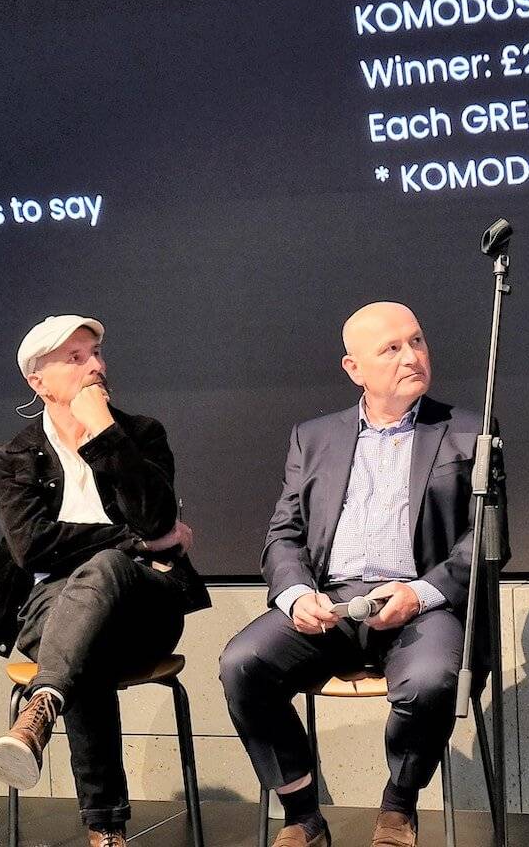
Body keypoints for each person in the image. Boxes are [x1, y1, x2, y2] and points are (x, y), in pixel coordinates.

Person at [220, 302, 485, 847]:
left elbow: (481, 542)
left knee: (433, 679)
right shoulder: (313, 437)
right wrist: (295, 596)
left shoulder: (468, 430)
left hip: (418, 601)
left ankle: (398, 805)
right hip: (331, 603)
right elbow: (283, 534)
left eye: (416, 341)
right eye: (391, 348)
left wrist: (420, 592)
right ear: (353, 368)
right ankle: (301, 813)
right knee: (242, 664)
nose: (411, 356)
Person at [0, 315, 206, 847]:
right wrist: (134, 541)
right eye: (75, 359)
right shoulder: (13, 458)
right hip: (48, 607)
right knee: (85, 639)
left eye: (96, 353)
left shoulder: (141, 434)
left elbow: (155, 517)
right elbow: (32, 546)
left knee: (105, 575)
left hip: (145, 605)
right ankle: (104, 828)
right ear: (38, 381)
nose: (95, 366)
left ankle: (44, 712)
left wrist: (104, 434)